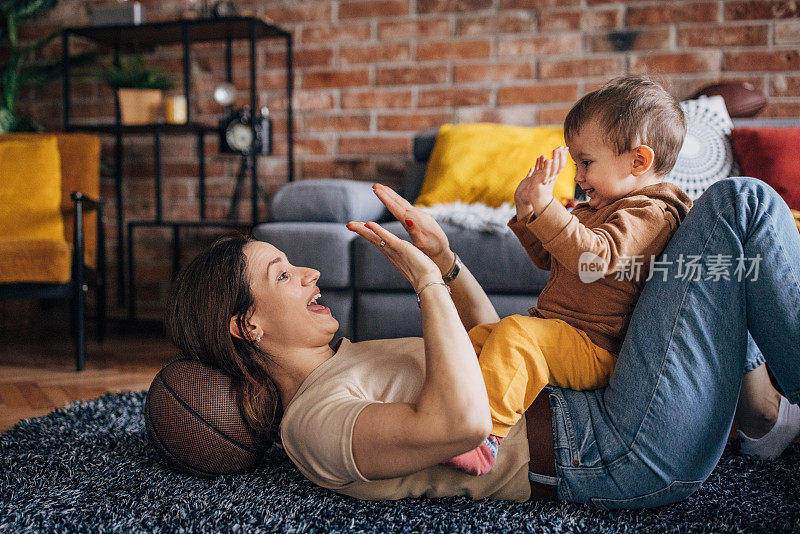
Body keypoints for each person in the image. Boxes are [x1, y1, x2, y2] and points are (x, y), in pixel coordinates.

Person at [165, 176, 800, 508]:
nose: (309, 273)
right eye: (283, 273)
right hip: (610, 451)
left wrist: (442, 261)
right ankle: (765, 406)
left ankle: (763, 415)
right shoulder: (313, 428)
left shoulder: (354, 359)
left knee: (696, 253)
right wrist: (422, 285)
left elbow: (491, 348)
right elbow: (467, 423)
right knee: (739, 208)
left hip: (607, 410)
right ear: (247, 325)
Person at [440, 75, 697, 476]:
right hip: (563, 332)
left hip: (597, 348)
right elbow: (549, 256)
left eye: (587, 162)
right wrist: (528, 210)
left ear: (638, 161)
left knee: (517, 337)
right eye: (577, 163)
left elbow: (595, 259)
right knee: (483, 338)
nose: (578, 175)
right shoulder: (597, 209)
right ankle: (450, 403)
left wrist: (550, 211)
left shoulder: (649, 213)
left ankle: (483, 436)